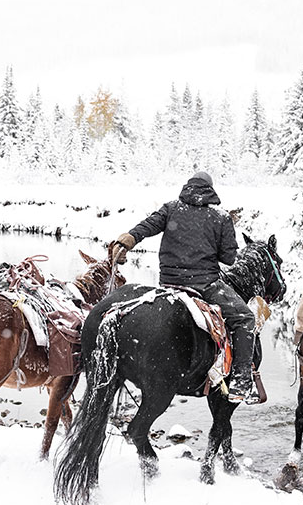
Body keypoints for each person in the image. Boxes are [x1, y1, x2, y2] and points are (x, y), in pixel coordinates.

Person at [109, 170, 260, 402]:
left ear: (188, 187)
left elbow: (146, 226)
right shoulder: (220, 217)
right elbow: (229, 259)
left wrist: (127, 240)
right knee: (245, 318)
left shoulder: (170, 209)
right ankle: (241, 380)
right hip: (205, 285)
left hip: (168, 283)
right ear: (210, 190)